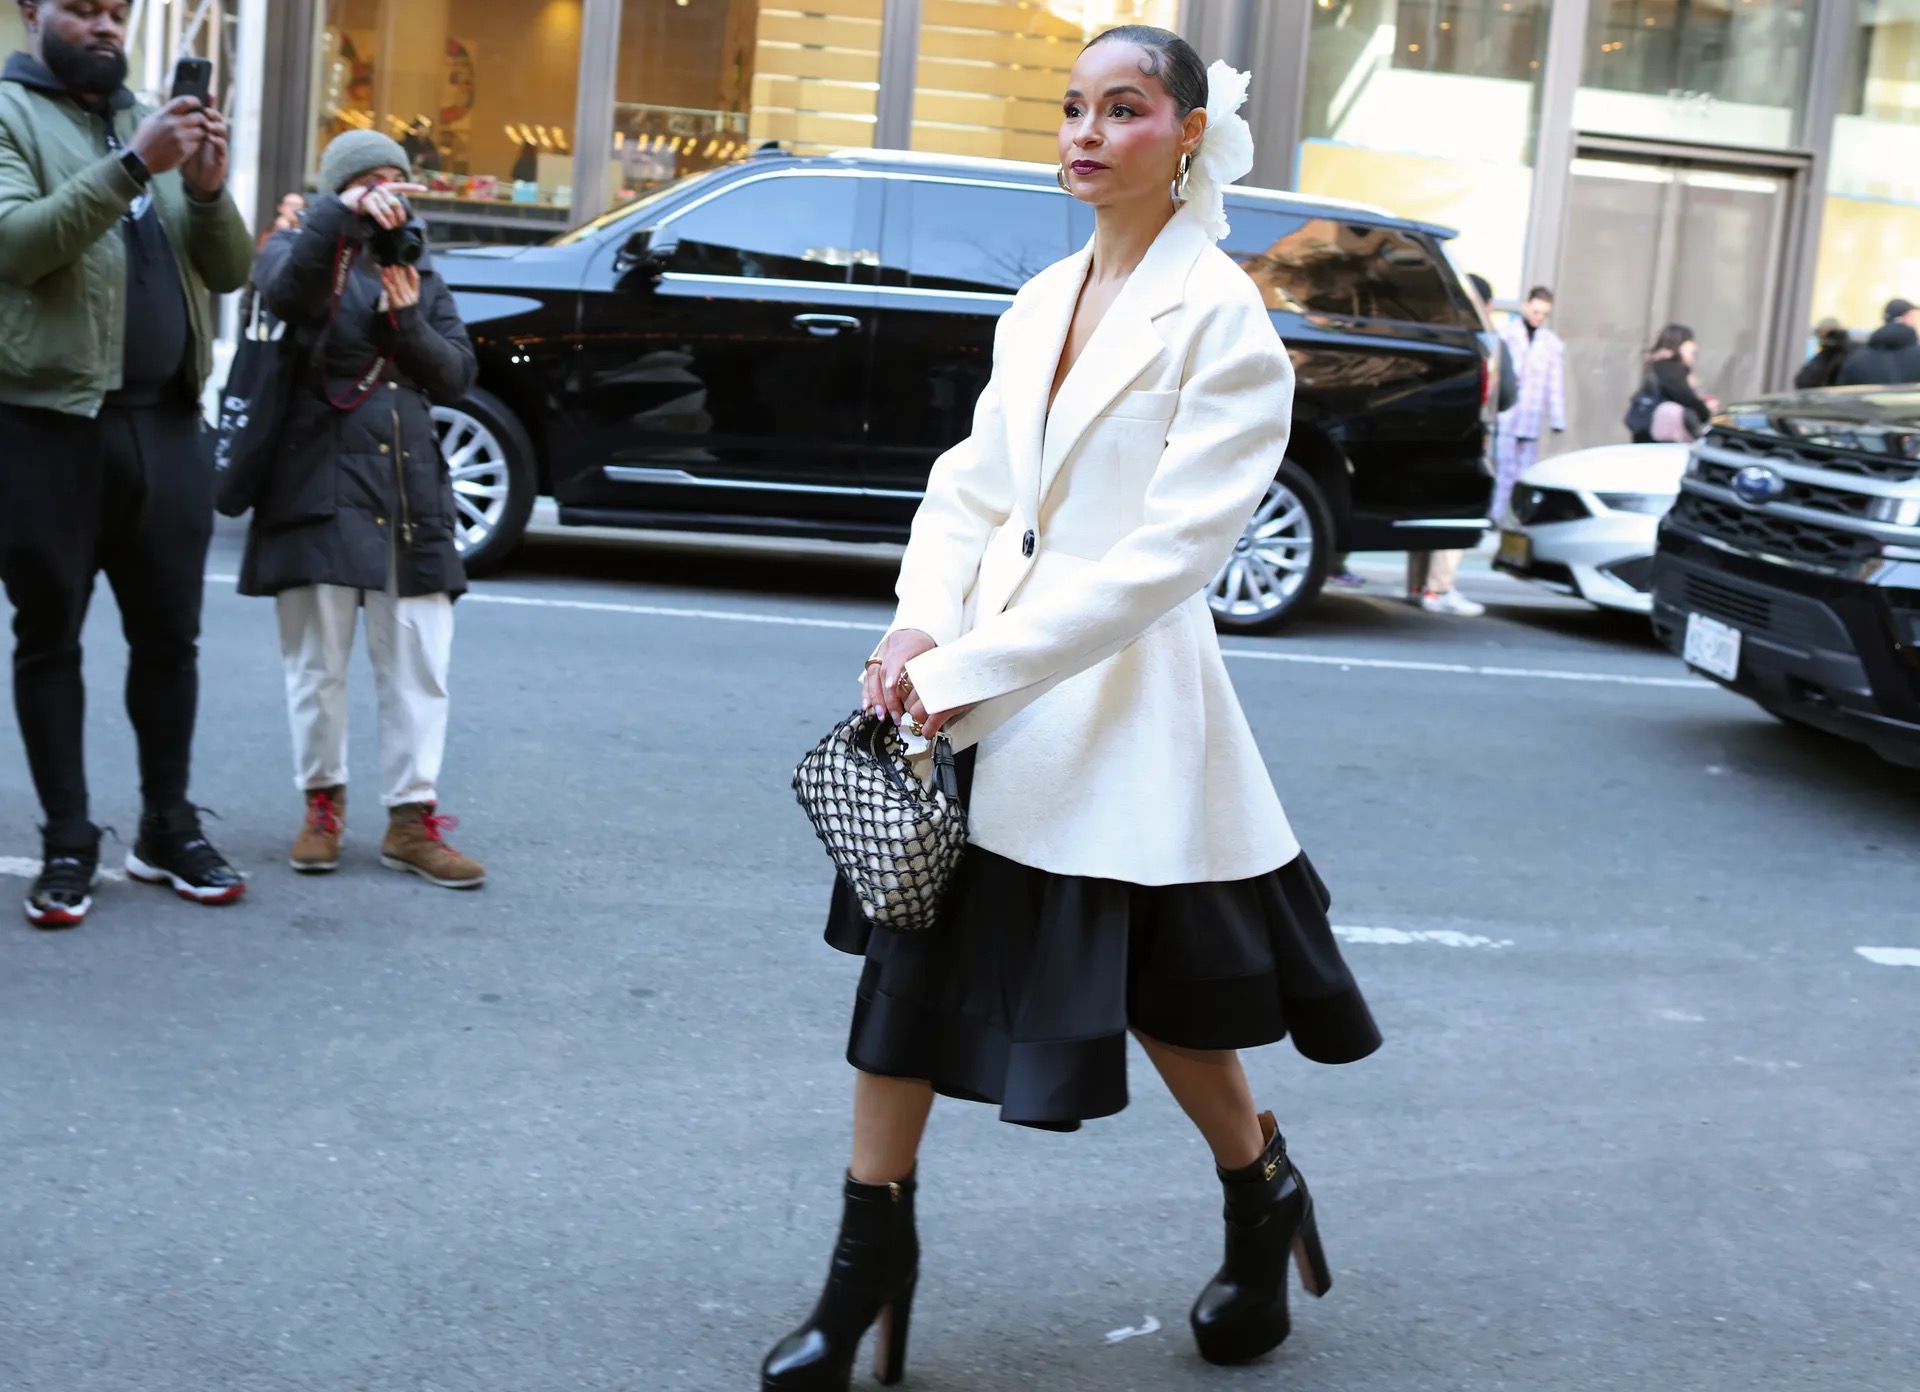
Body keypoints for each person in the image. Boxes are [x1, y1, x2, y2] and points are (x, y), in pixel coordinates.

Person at [761, 28, 1380, 1390]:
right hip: (980, 690)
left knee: (1171, 1000)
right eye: (1073, 107)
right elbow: (972, 485)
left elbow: (1167, 562)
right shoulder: (1040, 298)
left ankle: (1261, 1190)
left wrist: (962, 670)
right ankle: (866, 1268)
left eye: (1124, 107)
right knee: (906, 975)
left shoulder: (1223, 320)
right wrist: (921, 622)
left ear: (1189, 133)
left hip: (1117, 709)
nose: (1086, 132)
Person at [0, 0, 254, 928]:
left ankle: (166, 827)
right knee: (49, 639)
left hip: (167, 427)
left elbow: (230, 272)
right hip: (48, 428)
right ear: (33, 12)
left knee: (170, 641)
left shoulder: (148, 121)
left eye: (118, 11)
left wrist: (207, 191)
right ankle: (68, 841)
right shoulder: (10, 117)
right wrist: (135, 166)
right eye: (85, 9)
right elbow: (16, 245)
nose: (107, 26)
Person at [241, 130, 486, 889]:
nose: (387, 196)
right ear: (341, 188)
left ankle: (411, 821)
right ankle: (322, 806)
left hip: (409, 491)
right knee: (316, 664)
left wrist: (405, 322)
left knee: (419, 662)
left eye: (396, 182)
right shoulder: (300, 249)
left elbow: (456, 376)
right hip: (315, 482)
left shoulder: (416, 266)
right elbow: (287, 297)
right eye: (371, 182)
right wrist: (336, 220)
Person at [1404, 271, 1512, 619]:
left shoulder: (1430, 328)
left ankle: (1418, 586)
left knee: (1426, 510)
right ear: (1487, 304)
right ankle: (1439, 588)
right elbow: (1507, 392)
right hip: (1463, 432)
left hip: (1421, 432)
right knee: (1454, 508)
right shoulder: (1481, 338)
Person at [1492, 285, 1567, 523]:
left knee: (1526, 473)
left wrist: (1557, 418)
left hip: (1531, 415)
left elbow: (1555, 383)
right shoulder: (1505, 335)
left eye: (1544, 314)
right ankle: (1497, 517)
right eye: (1536, 311)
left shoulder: (1551, 343)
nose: (1538, 317)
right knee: (1504, 471)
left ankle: (1517, 519)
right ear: (1526, 305)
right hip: (1507, 413)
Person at [1631, 324, 1717, 444]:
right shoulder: (1668, 368)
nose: (1694, 347)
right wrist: (1705, 410)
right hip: (1662, 438)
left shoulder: (1661, 366)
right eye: (1690, 342)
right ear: (1679, 344)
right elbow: (1685, 397)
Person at [1836, 298, 1920, 387]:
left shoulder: (1856, 360)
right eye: (1913, 317)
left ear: (1884, 322)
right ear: (1906, 318)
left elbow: (1842, 391)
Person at [1794, 317, 1852, 391]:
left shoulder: (1832, 355)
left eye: (1822, 331)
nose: (1819, 335)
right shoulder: (1832, 353)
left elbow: (1806, 380)